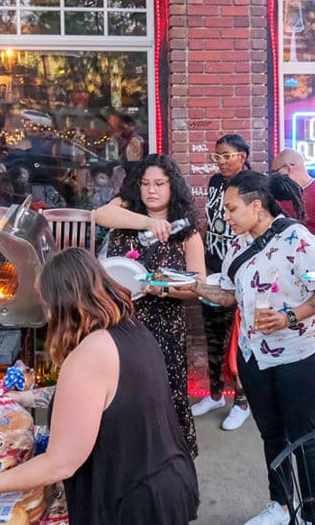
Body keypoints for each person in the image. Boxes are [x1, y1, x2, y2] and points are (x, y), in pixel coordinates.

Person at [0, 248, 199, 524]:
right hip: (165, 483)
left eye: (46, 303)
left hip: (132, 503)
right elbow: (100, 400)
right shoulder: (130, 328)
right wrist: (27, 398)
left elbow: (60, 463)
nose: (47, 315)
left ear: (64, 303)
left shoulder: (89, 355)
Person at [194, 171, 315, 525]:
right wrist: (190, 288)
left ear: (256, 206)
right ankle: (282, 505)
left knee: (303, 436)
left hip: (301, 354)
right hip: (254, 355)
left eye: (231, 209)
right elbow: (228, 294)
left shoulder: (299, 240)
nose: (225, 217)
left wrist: (289, 317)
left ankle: (312, 511)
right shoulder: (237, 243)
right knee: (271, 434)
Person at [95, 154, 204, 457]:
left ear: (173, 187)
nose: (151, 190)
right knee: (122, 395)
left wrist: (160, 288)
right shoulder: (124, 216)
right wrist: (150, 222)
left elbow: (197, 286)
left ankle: (168, 460)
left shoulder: (187, 234)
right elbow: (100, 215)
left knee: (162, 396)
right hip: (120, 325)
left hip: (163, 329)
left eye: (159, 183)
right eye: (145, 184)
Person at [193, 133, 252, 430]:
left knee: (237, 341)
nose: (221, 161)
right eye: (217, 156)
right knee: (212, 334)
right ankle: (215, 394)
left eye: (227, 155)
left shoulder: (253, 184)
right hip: (213, 266)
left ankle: (241, 400)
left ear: (242, 155)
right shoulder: (215, 182)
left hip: (239, 270)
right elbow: (209, 221)